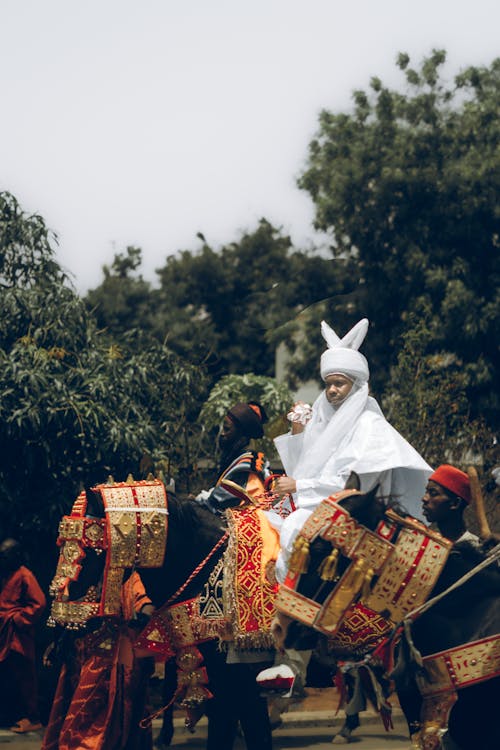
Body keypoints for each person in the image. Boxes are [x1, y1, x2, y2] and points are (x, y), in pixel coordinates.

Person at [272, 318, 432, 580]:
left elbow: (354, 487)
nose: (332, 391)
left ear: (356, 386)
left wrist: (299, 486)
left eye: (340, 384)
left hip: (356, 514)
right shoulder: (325, 420)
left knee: (293, 527)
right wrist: (299, 430)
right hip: (319, 505)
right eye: (329, 384)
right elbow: (303, 468)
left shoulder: (370, 426)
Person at [197, 400, 276, 750]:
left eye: (227, 427)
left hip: (251, 543)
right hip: (234, 539)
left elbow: (217, 502)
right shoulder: (236, 462)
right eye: (222, 426)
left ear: (242, 433)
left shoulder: (247, 463)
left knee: (246, 704)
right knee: (230, 705)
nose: (220, 432)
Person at [42, 571, 155, 750]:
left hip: (107, 658)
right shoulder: (76, 575)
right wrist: (58, 643)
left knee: (92, 724)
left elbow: (144, 603)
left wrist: (143, 617)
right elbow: (64, 615)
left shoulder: (126, 576)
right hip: (77, 657)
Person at [0, 537, 46, 734]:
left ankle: (32, 717)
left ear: (16, 555)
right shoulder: (6, 573)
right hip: (4, 631)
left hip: (16, 633)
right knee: (9, 676)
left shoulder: (24, 574)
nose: (2, 558)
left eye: (5, 554)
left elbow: (39, 603)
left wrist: (18, 619)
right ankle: (14, 715)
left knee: (23, 674)